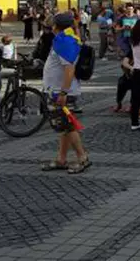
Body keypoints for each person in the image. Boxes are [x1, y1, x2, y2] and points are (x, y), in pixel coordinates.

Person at [40, 12, 90, 174]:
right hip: (58, 90)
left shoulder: (65, 41)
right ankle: (61, 159)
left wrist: (63, 92)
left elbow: (69, 69)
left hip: (61, 92)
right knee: (64, 127)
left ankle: (82, 157)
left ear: (56, 26)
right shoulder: (65, 39)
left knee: (68, 127)